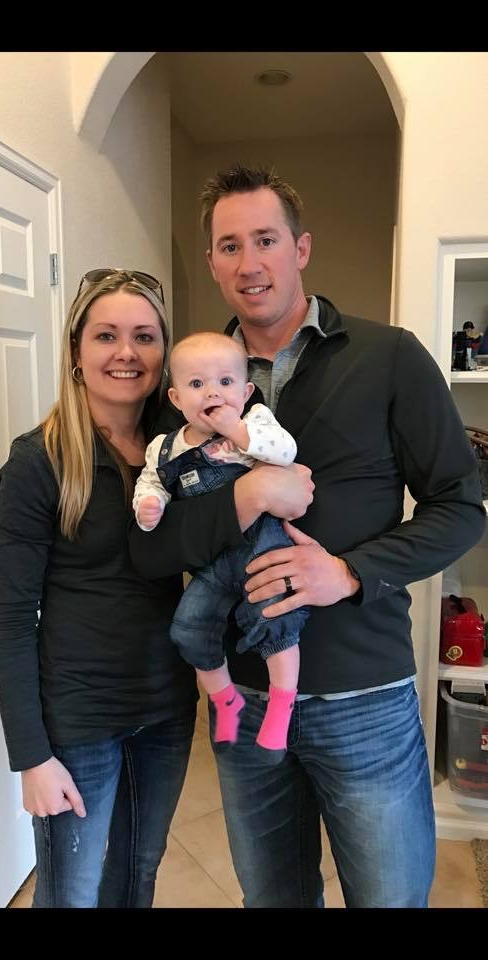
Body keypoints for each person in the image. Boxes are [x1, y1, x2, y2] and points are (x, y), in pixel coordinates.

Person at [129, 164, 486, 908]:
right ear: (212, 263)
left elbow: (460, 506)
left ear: (301, 248)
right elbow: (156, 547)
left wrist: (349, 573)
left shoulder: (388, 357)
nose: (249, 263)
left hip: (366, 694)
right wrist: (249, 495)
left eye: (266, 240)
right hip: (244, 697)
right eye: (230, 246)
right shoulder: (189, 385)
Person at [0, 268, 201, 909]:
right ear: (76, 353)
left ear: (164, 354)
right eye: (106, 335)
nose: (126, 352)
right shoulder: (39, 460)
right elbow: (10, 615)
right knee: (70, 895)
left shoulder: (182, 452)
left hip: (166, 707)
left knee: (137, 876)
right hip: (76, 723)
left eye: (144, 336)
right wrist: (31, 757)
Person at [133, 331, 309, 762]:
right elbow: (151, 482)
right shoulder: (165, 447)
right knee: (188, 628)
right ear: (177, 398)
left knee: (274, 619)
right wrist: (149, 505)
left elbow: (285, 452)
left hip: (260, 553)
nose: (213, 392)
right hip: (211, 565)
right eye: (197, 384)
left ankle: (281, 706)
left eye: (226, 382)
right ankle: (225, 699)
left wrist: (238, 431)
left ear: (245, 392)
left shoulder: (256, 422)